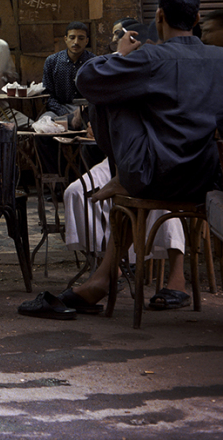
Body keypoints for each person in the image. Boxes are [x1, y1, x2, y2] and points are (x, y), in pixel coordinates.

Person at [54, 0, 223, 314]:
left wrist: (119, 54)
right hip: (202, 177)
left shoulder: (150, 57)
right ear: (197, 18)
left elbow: (87, 81)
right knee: (121, 87)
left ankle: (121, 173)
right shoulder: (219, 59)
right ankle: (105, 271)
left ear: (159, 16)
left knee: (108, 87)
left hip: (151, 174)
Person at [60, 19, 184, 295]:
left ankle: (176, 276)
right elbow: (91, 86)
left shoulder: (159, 68)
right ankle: (106, 263)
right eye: (116, 36)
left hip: (159, 159)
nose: (118, 40)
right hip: (118, 159)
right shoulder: (119, 70)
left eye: (122, 36)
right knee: (77, 193)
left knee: (156, 201)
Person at [42, 22, 95, 129]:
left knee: (93, 127)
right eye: (72, 37)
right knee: (43, 126)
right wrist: (64, 114)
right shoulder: (52, 61)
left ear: (86, 41)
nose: (76, 42)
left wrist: (82, 111)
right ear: (65, 39)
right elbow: (47, 95)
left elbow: (98, 94)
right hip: (59, 109)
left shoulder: (94, 62)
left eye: (81, 38)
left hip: (87, 110)